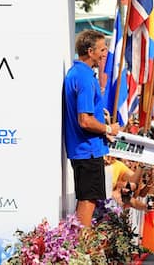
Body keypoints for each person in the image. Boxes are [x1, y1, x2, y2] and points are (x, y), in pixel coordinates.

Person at [63, 29, 120, 227]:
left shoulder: (78, 73)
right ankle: (81, 250)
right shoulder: (85, 77)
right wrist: (108, 128)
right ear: (90, 51)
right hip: (87, 150)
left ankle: (79, 247)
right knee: (88, 201)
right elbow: (85, 121)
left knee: (87, 199)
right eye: (102, 49)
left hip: (85, 149)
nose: (105, 53)